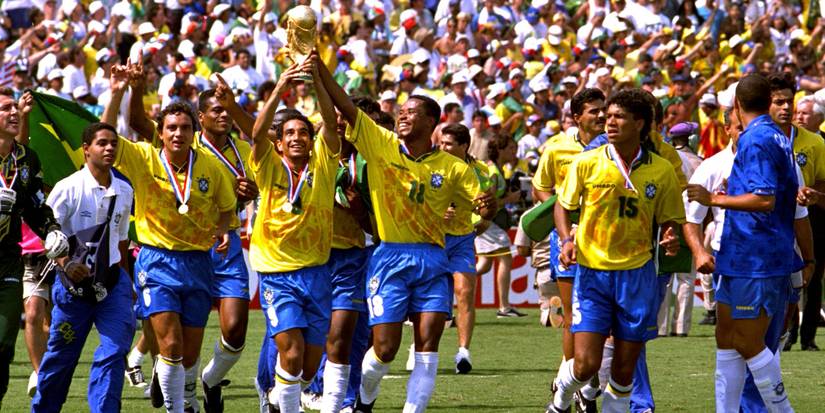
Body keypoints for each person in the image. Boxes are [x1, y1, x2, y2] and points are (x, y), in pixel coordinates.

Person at [317, 51, 489, 412]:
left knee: (428, 343)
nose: (402, 116)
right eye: (401, 112)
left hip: (432, 258)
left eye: (411, 112)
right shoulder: (381, 145)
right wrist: (318, 67)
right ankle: (364, 399)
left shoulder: (454, 168)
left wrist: (488, 207)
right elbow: (346, 107)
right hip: (390, 256)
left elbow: (483, 205)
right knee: (385, 349)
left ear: (432, 122)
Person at [547, 88, 684, 413]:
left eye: (618, 117)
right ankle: (559, 401)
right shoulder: (587, 162)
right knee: (585, 365)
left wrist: (671, 235)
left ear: (639, 123)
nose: (609, 122)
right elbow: (562, 207)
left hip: (637, 276)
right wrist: (567, 240)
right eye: (607, 116)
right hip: (593, 275)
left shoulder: (662, 170)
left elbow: (670, 219)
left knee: (623, 373)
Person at [106, 90, 236, 412]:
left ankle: (162, 377)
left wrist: (221, 229)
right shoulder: (143, 158)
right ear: (161, 132)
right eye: (171, 128)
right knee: (173, 347)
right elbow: (105, 136)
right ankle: (176, 409)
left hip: (197, 263)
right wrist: (119, 92)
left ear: (195, 132)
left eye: (185, 128)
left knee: (189, 356)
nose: (178, 133)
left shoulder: (211, 167)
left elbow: (227, 208)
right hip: (156, 260)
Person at [685, 74, 803, 413]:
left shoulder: (759, 139)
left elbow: (764, 199)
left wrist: (715, 199)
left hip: (757, 257)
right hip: (739, 256)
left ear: (736, 106)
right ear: (767, 102)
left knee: (748, 342)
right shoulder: (774, 136)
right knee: (726, 337)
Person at [249, 56, 340, 413]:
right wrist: (281, 85)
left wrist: (317, 79)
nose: (297, 137)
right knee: (291, 351)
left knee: (308, 363)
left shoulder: (323, 163)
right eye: (289, 134)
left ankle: (279, 398)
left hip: (317, 271)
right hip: (276, 273)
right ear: (280, 143)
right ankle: (285, 407)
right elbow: (256, 133)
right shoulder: (269, 164)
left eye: (303, 132)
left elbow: (331, 123)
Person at [31, 122, 135, 413]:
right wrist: (65, 264)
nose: (109, 148)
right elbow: (47, 234)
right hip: (72, 290)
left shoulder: (125, 190)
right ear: (86, 149)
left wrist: (126, 281)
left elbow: (122, 239)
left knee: (115, 352)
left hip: (113, 285)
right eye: (102, 143)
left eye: (114, 143)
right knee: (61, 359)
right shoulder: (67, 189)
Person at [532, 88, 606, 411]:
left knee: (602, 317)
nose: (601, 116)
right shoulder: (557, 148)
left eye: (604, 110)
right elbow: (539, 185)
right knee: (573, 315)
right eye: (594, 111)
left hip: (606, 239)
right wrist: (559, 214)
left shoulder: (612, 146)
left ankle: (572, 381)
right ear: (577, 117)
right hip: (567, 241)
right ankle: (579, 382)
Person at [0, 87, 68, 409]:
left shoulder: (27, 159)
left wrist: (51, 230)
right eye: (5, 109)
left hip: (8, 261)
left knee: (3, 341)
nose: (13, 113)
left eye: (15, 107)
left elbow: (35, 206)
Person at [766, 73, 825, 352]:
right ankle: (784, 333)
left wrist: (814, 194)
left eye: (795, 105)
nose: (793, 112)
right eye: (785, 103)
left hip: (811, 219)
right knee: (780, 282)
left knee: (810, 278)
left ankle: (808, 336)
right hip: (771, 222)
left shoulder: (815, 143)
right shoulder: (758, 138)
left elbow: (824, 185)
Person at [437, 122, 496, 374]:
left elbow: (487, 210)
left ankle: (464, 352)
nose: (443, 147)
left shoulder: (481, 171)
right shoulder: (431, 164)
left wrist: (481, 222)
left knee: (464, 293)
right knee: (436, 303)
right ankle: (420, 349)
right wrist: (438, 213)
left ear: (464, 146)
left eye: (449, 144)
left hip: (462, 238)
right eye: (441, 142)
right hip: (434, 239)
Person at [475, 134, 525, 318]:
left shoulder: (496, 169)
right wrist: (510, 199)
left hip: (488, 224)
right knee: (506, 259)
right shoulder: (494, 172)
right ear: (500, 150)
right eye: (511, 148)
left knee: (484, 265)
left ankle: (453, 280)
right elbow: (489, 203)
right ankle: (504, 307)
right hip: (489, 223)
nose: (515, 152)